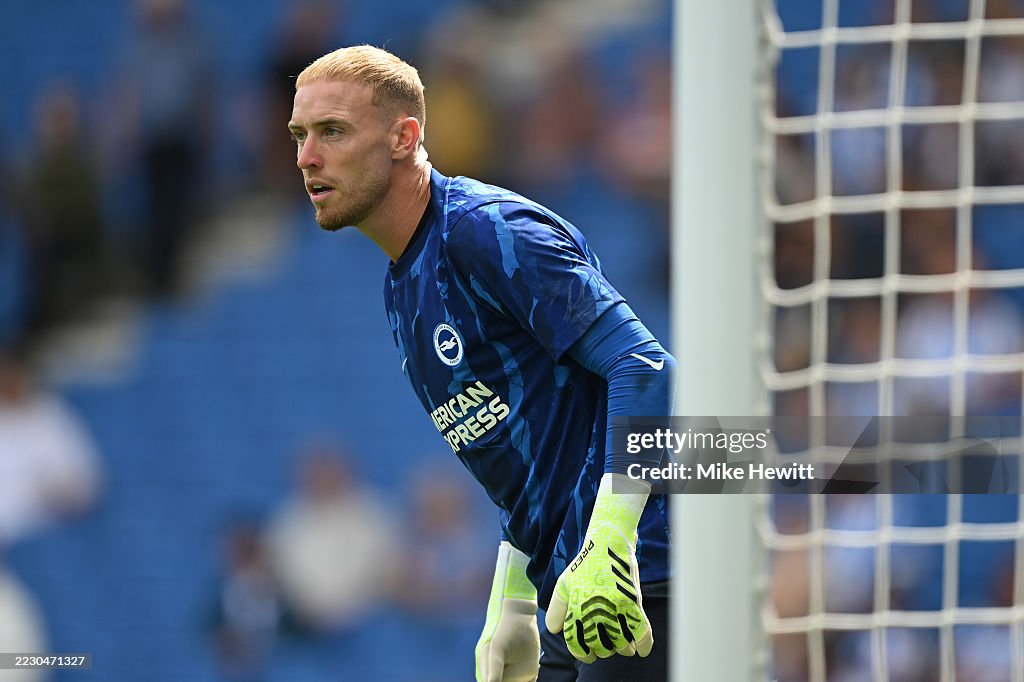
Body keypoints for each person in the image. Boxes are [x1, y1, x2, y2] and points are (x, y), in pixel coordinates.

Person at [288, 45, 675, 682]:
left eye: (333, 131)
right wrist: (515, 597)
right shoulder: (401, 285)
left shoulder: (487, 232)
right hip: (571, 596)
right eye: (300, 134)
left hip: (645, 579)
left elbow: (645, 368)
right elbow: (528, 456)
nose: (307, 155)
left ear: (403, 136)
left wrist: (612, 537)